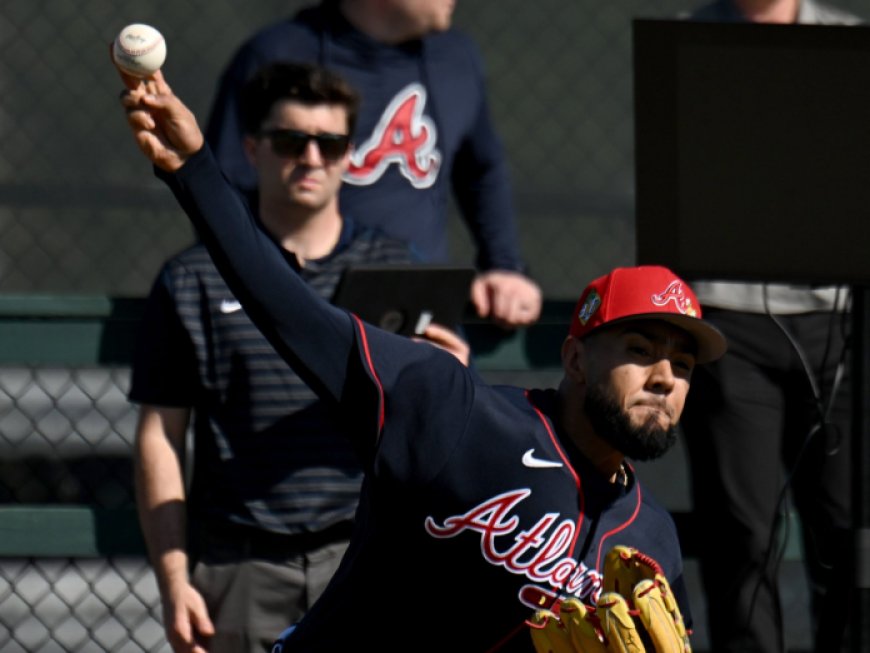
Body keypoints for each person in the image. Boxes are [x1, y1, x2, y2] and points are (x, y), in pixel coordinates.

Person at [117, 67, 729, 651]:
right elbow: (291, 313)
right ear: (574, 360)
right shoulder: (455, 414)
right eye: (641, 350)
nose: (664, 378)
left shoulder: (652, 544)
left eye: (683, 364)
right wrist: (194, 170)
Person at [129, 61, 470, 653]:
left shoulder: (398, 271)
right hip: (240, 564)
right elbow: (161, 432)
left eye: (330, 143)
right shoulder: (193, 279)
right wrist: (174, 578)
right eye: (291, 140)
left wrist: (449, 379)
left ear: (349, 155)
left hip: (368, 557)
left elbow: (440, 436)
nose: (312, 158)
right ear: (253, 148)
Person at [679, 2, 859, 651]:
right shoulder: (688, 45)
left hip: (839, 320)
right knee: (741, 536)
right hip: (728, 324)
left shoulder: (848, 47)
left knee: (848, 533)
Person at [205, 0, 543, 330]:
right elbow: (222, 190)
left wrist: (504, 266)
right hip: (308, 313)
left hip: (419, 312)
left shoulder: (456, 57)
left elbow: (482, 170)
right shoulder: (279, 52)